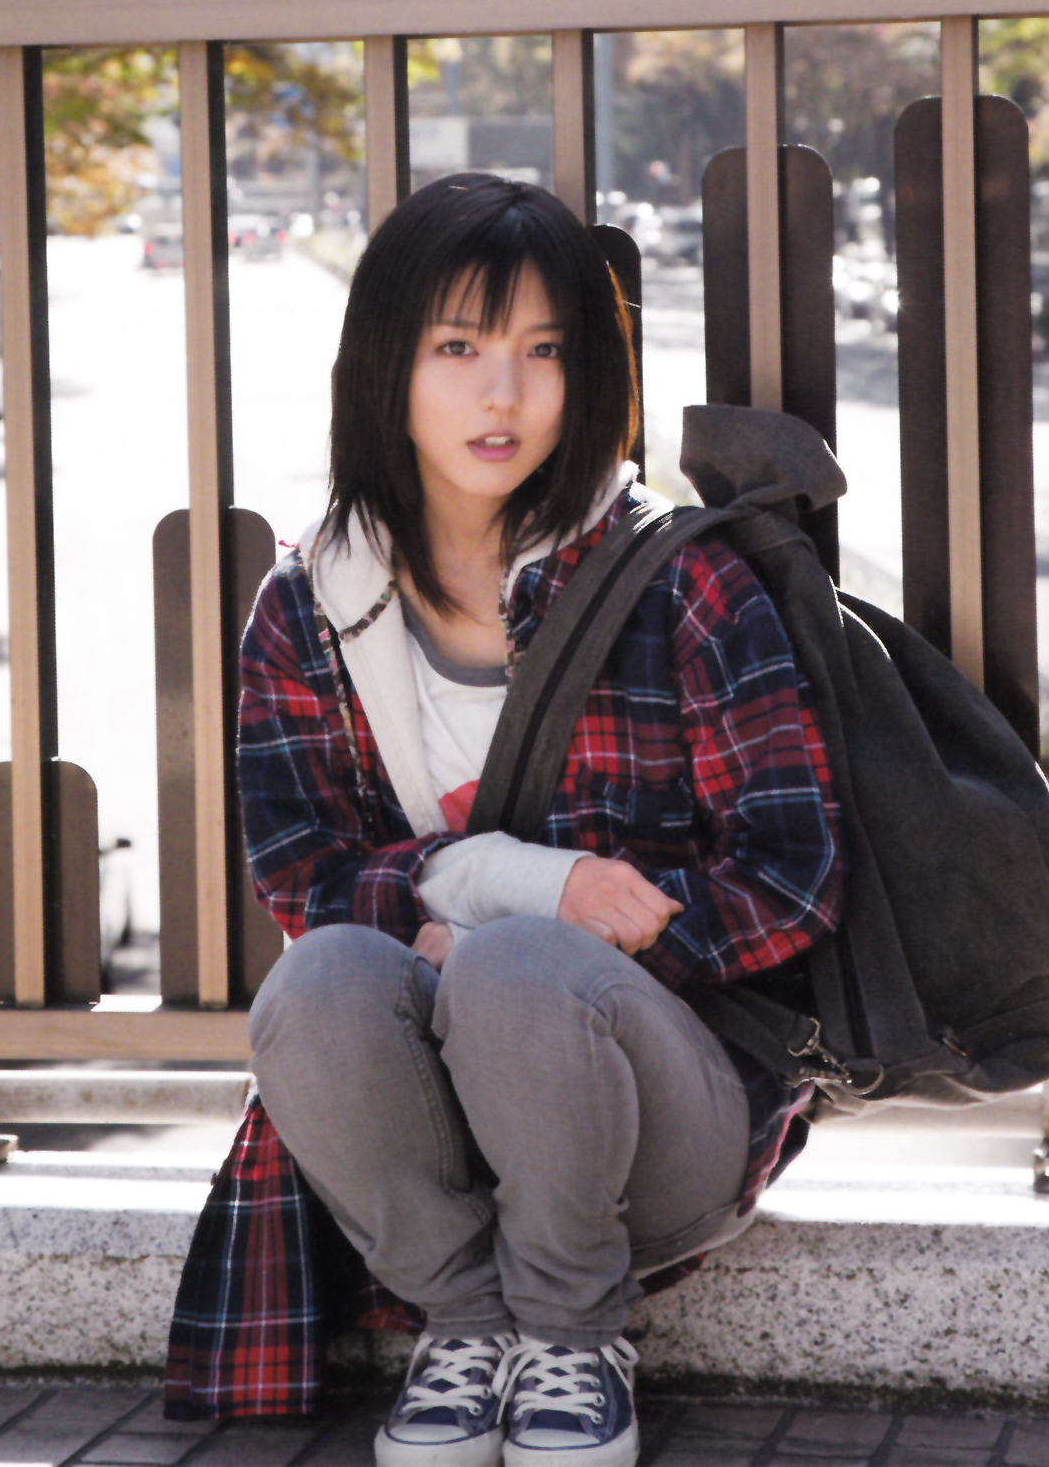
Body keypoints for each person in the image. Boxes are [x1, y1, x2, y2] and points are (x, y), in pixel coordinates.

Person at [234, 173, 842, 1467]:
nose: (502, 395)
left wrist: (569, 940)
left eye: (544, 351)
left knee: (518, 966)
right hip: (442, 1127)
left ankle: (573, 1336)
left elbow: (793, 876)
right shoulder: (311, 605)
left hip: (659, 1117)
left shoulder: (674, 579)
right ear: (386, 364)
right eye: (458, 347)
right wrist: (504, 880)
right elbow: (299, 873)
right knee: (315, 983)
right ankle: (464, 1324)